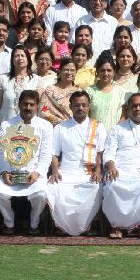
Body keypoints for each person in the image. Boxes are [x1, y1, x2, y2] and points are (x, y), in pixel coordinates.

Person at [0, 90, 52, 235]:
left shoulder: (46, 126)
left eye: (32, 104)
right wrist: (4, 172)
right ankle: (9, 222)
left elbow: (46, 155)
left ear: (37, 106)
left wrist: (37, 173)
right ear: (19, 104)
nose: (28, 108)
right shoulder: (6, 125)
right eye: (25, 104)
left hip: (34, 174)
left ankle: (34, 223)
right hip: (11, 173)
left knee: (41, 195)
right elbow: (0, 153)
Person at [101, 93, 140, 239]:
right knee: (112, 185)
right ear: (128, 109)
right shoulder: (117, 129)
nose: (138, 109)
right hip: (120, 169)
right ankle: (117, 226)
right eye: (134, 106)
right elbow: (109, 151)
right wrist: (111, 166)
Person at [44, 90, 106, 237]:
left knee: (96, 187)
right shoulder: (60, 128)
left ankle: (86, 225)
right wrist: (54, 171)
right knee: (54, 187)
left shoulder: (98, 127)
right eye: (77, 105)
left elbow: (100, 152)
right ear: (71, 107)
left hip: (88, 172)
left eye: (84, 105)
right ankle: (61, 226)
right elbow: (54, 153)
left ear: (89, 106)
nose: (80, 108)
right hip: (66, 171)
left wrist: (98, 171)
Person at [0, 46, 43, 125]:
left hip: (29, 127)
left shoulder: (37, 80)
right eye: (16, 56)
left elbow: (38, 108)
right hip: (6, 125)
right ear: (12, 60)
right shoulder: (2, 79)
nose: (20, 58)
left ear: (28, 59)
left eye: (23, 55)